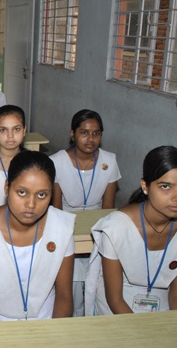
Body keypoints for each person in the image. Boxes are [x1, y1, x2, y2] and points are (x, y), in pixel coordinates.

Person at [85, 146, 177, 315]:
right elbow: (115, 299)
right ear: (145, 186)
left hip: (161, 304)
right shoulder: (117, 228)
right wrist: (143, 336)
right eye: (166, 186)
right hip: (118, 309)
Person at [0, 150, 75, 322]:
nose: (31, 204)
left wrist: (54, 336)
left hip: (48, 322)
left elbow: (64, 295)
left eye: (42, 195)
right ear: (7, 187)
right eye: (22, 192)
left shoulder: (61, 227)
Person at [50, 109, 121, 316]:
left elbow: (108, 208)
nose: (90, 139)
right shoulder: (57, 161)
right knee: (70, 285)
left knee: (99, 280)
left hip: (97, 221)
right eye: (84, 133)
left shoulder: (109, 160)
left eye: (96, 133)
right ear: (72, 134)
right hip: (66, 221)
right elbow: (56, 208)